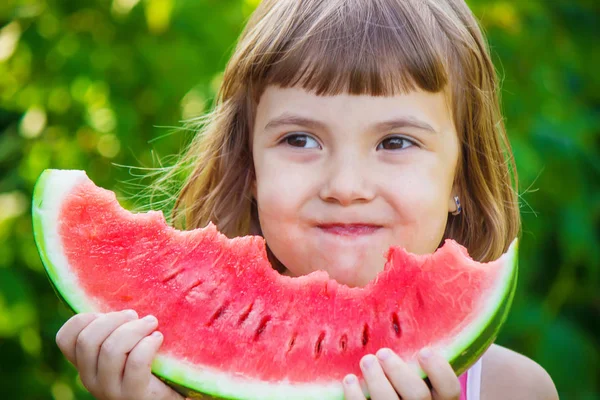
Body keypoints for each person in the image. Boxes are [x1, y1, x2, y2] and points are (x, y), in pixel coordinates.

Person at [54, 0, 560, 399]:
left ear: (460, 179)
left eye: (395, 142)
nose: (344, 185)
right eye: (300, 139)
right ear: (250, 169)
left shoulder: (514, 391)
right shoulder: (172, 380)